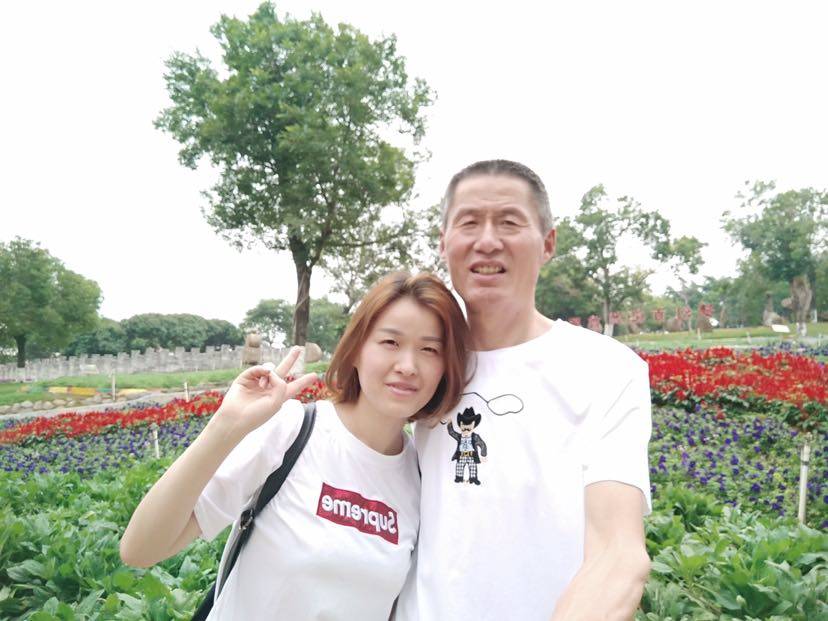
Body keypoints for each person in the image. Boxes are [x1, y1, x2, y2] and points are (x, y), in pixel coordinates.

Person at [120, 271, 470, 620]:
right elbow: (140, 549)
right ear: (356, 350)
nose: (408, 366)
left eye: (429, 349)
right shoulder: (292, 430)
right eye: (390, 342)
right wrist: (225, 426)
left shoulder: (422, 479)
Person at [394, 160, 652, 620]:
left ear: (548, 243)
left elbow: (618, 553)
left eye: (509, 222)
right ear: (444, 242)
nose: (487, 240)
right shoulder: (423, 364)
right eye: (469, 222)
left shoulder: (605, 368)